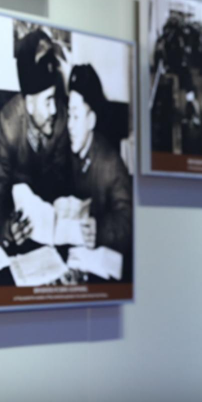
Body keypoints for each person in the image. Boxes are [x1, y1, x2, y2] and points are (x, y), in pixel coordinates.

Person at [0, 29, 70, 251]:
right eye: (47, 101)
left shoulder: (61, 119)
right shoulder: (8, 125)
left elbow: (62, 181)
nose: (54, 110)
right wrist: (6, 230)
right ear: (29, 104)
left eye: (54, 98)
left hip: (47, 227)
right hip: (15, 222)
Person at [65, 64, 133, 281]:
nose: (69, 125)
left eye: (76, 117)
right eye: (68, 115)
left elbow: (128, 221)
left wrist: (100, 230)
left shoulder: (110, 163)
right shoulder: (67, 152)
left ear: (91, 121)